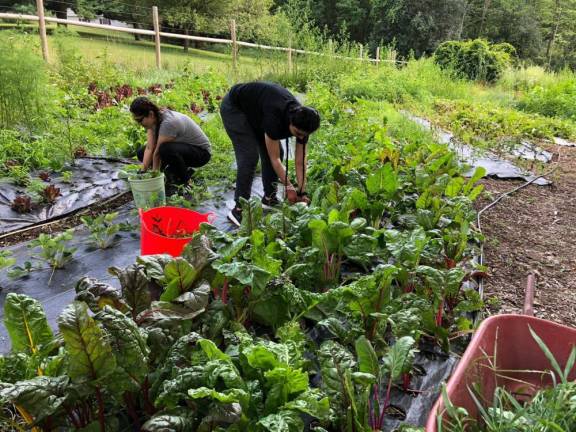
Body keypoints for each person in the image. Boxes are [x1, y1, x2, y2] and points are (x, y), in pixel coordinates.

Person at [220, 81, 321, 226]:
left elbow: (300, 161)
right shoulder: (275, 119)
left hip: (257, 110)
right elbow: (275, 160)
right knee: (249, 156)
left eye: (303, 135)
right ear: (290, 122)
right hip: (235, 108)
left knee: (277, 150)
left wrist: (301, 192)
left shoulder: (304, 123)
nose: (300, 137)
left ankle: (269, 197)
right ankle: (239, 209)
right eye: (297, 133)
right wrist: (288, 186)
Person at [130, 97, 211, 186]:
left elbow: (157, 154)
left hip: (201, 154)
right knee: (141, 153)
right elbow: (149, 148)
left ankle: (186, 181)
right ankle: (173, 170)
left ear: (151, 114)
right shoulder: (154, 121)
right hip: (183, 149)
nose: (139, 123)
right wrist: (142, 171)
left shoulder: (168, 123)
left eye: (140, 120)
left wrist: (154, 177)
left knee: (165, 149)